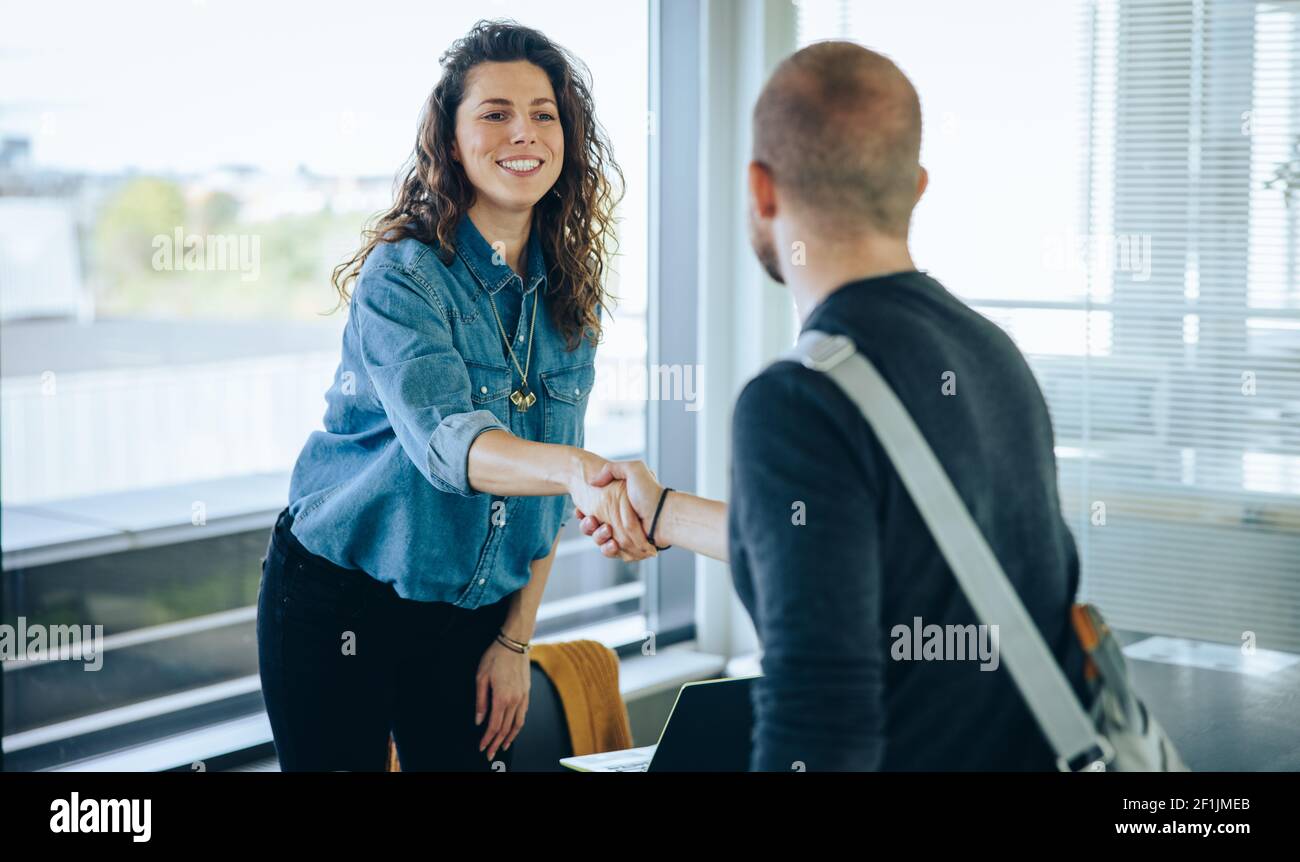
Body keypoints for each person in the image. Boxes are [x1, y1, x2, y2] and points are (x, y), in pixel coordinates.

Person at [576, 40, 1090, 771]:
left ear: (761, 188)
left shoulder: (797, 400)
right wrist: (661, 513)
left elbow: (818, 729)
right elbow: (865, 547)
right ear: (915, 186)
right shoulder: (994, 355)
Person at [256, 19, 657, 773]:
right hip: (340, 599)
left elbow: (540, 494)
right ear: (451, 140)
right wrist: (576, 469)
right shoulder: (402, 277)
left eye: (544, 114)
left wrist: (514, 639)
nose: (524, 132)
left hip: (470, 614)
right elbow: (452, 444)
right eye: (495, 113)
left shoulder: (571, 292)